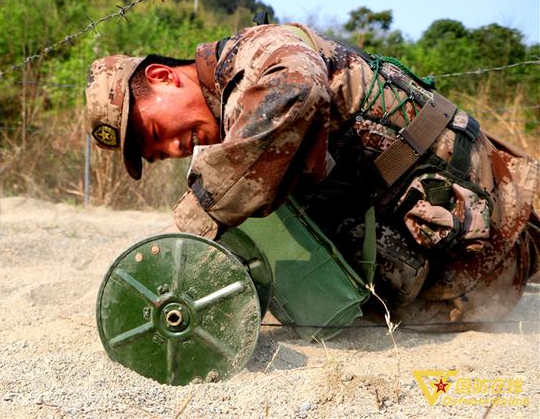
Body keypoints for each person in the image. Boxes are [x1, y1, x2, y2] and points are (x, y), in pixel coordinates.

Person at [85, 21, 539, 327]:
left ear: (164, 76)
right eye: (155, 154)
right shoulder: (238, 104)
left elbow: (297, 88)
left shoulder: (257, 54)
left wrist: (193, 225)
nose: (171, 148)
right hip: (470, 247)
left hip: (498, 236)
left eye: (154, 131)